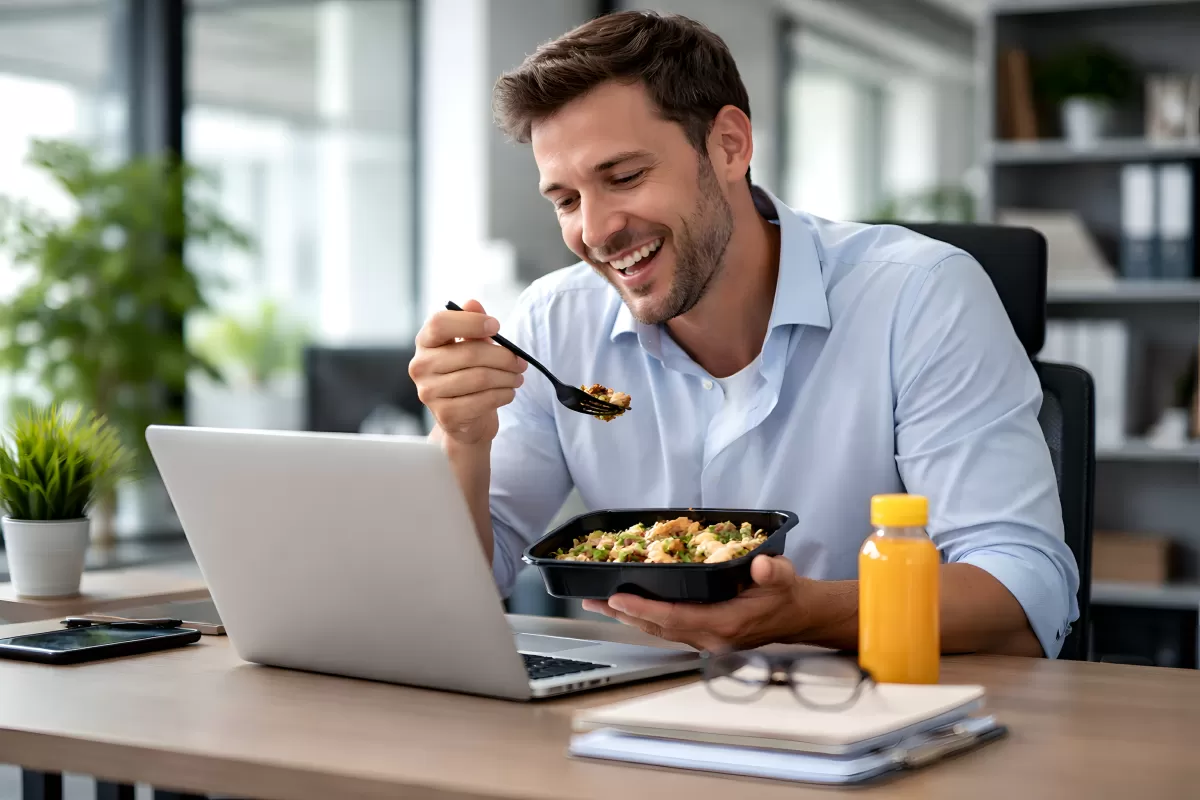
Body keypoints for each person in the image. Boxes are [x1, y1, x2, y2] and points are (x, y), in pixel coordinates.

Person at [408, 10, 1079, 658]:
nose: (596, 229)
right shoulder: (552, 322)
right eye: (566, 200)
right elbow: (452, 593)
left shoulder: (918, 295)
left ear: (729, 145)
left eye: (625, 176)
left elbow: (1023, 592)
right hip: (646, 715)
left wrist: (809, 612)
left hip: (876, 716)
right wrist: (463, 441)